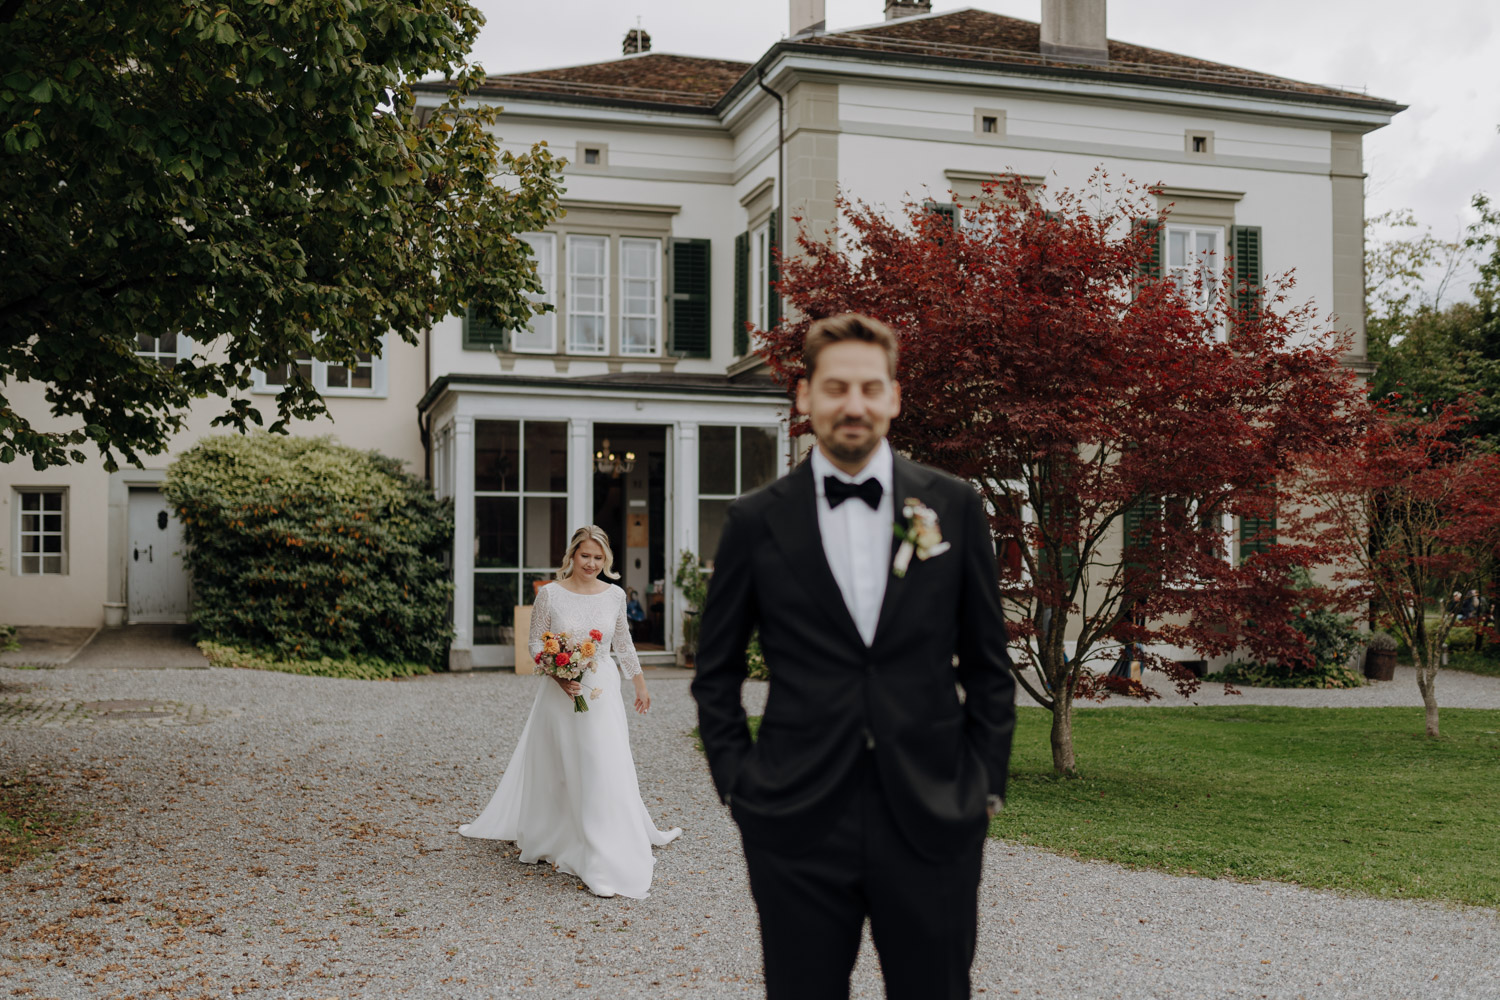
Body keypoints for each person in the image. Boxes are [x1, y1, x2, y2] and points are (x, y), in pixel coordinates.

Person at [691, 313, 1016, 999]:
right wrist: (740, 785)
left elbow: (989, 665)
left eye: (871, 388)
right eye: (837, 388)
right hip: (796, 818)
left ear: (895, 396)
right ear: (805, 396)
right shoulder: (755, 521)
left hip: (932, 815)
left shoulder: (953, 507)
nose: (855, 405)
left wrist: (982, 786)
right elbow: (715, 673)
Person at [460, 525, 681, 898]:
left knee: (600, 761)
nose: (591, 563)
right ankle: (558, 834)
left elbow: (623, 645)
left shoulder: (614, 595)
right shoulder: (550, 595)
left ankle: (600, 845)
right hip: (557, 692)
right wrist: (556, 672)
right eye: (585, 556)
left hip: (601, 691)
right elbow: (534, 641)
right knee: (559, 764)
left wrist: (640, 684)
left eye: (598, 557)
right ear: (572, 556)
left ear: (605, 560)